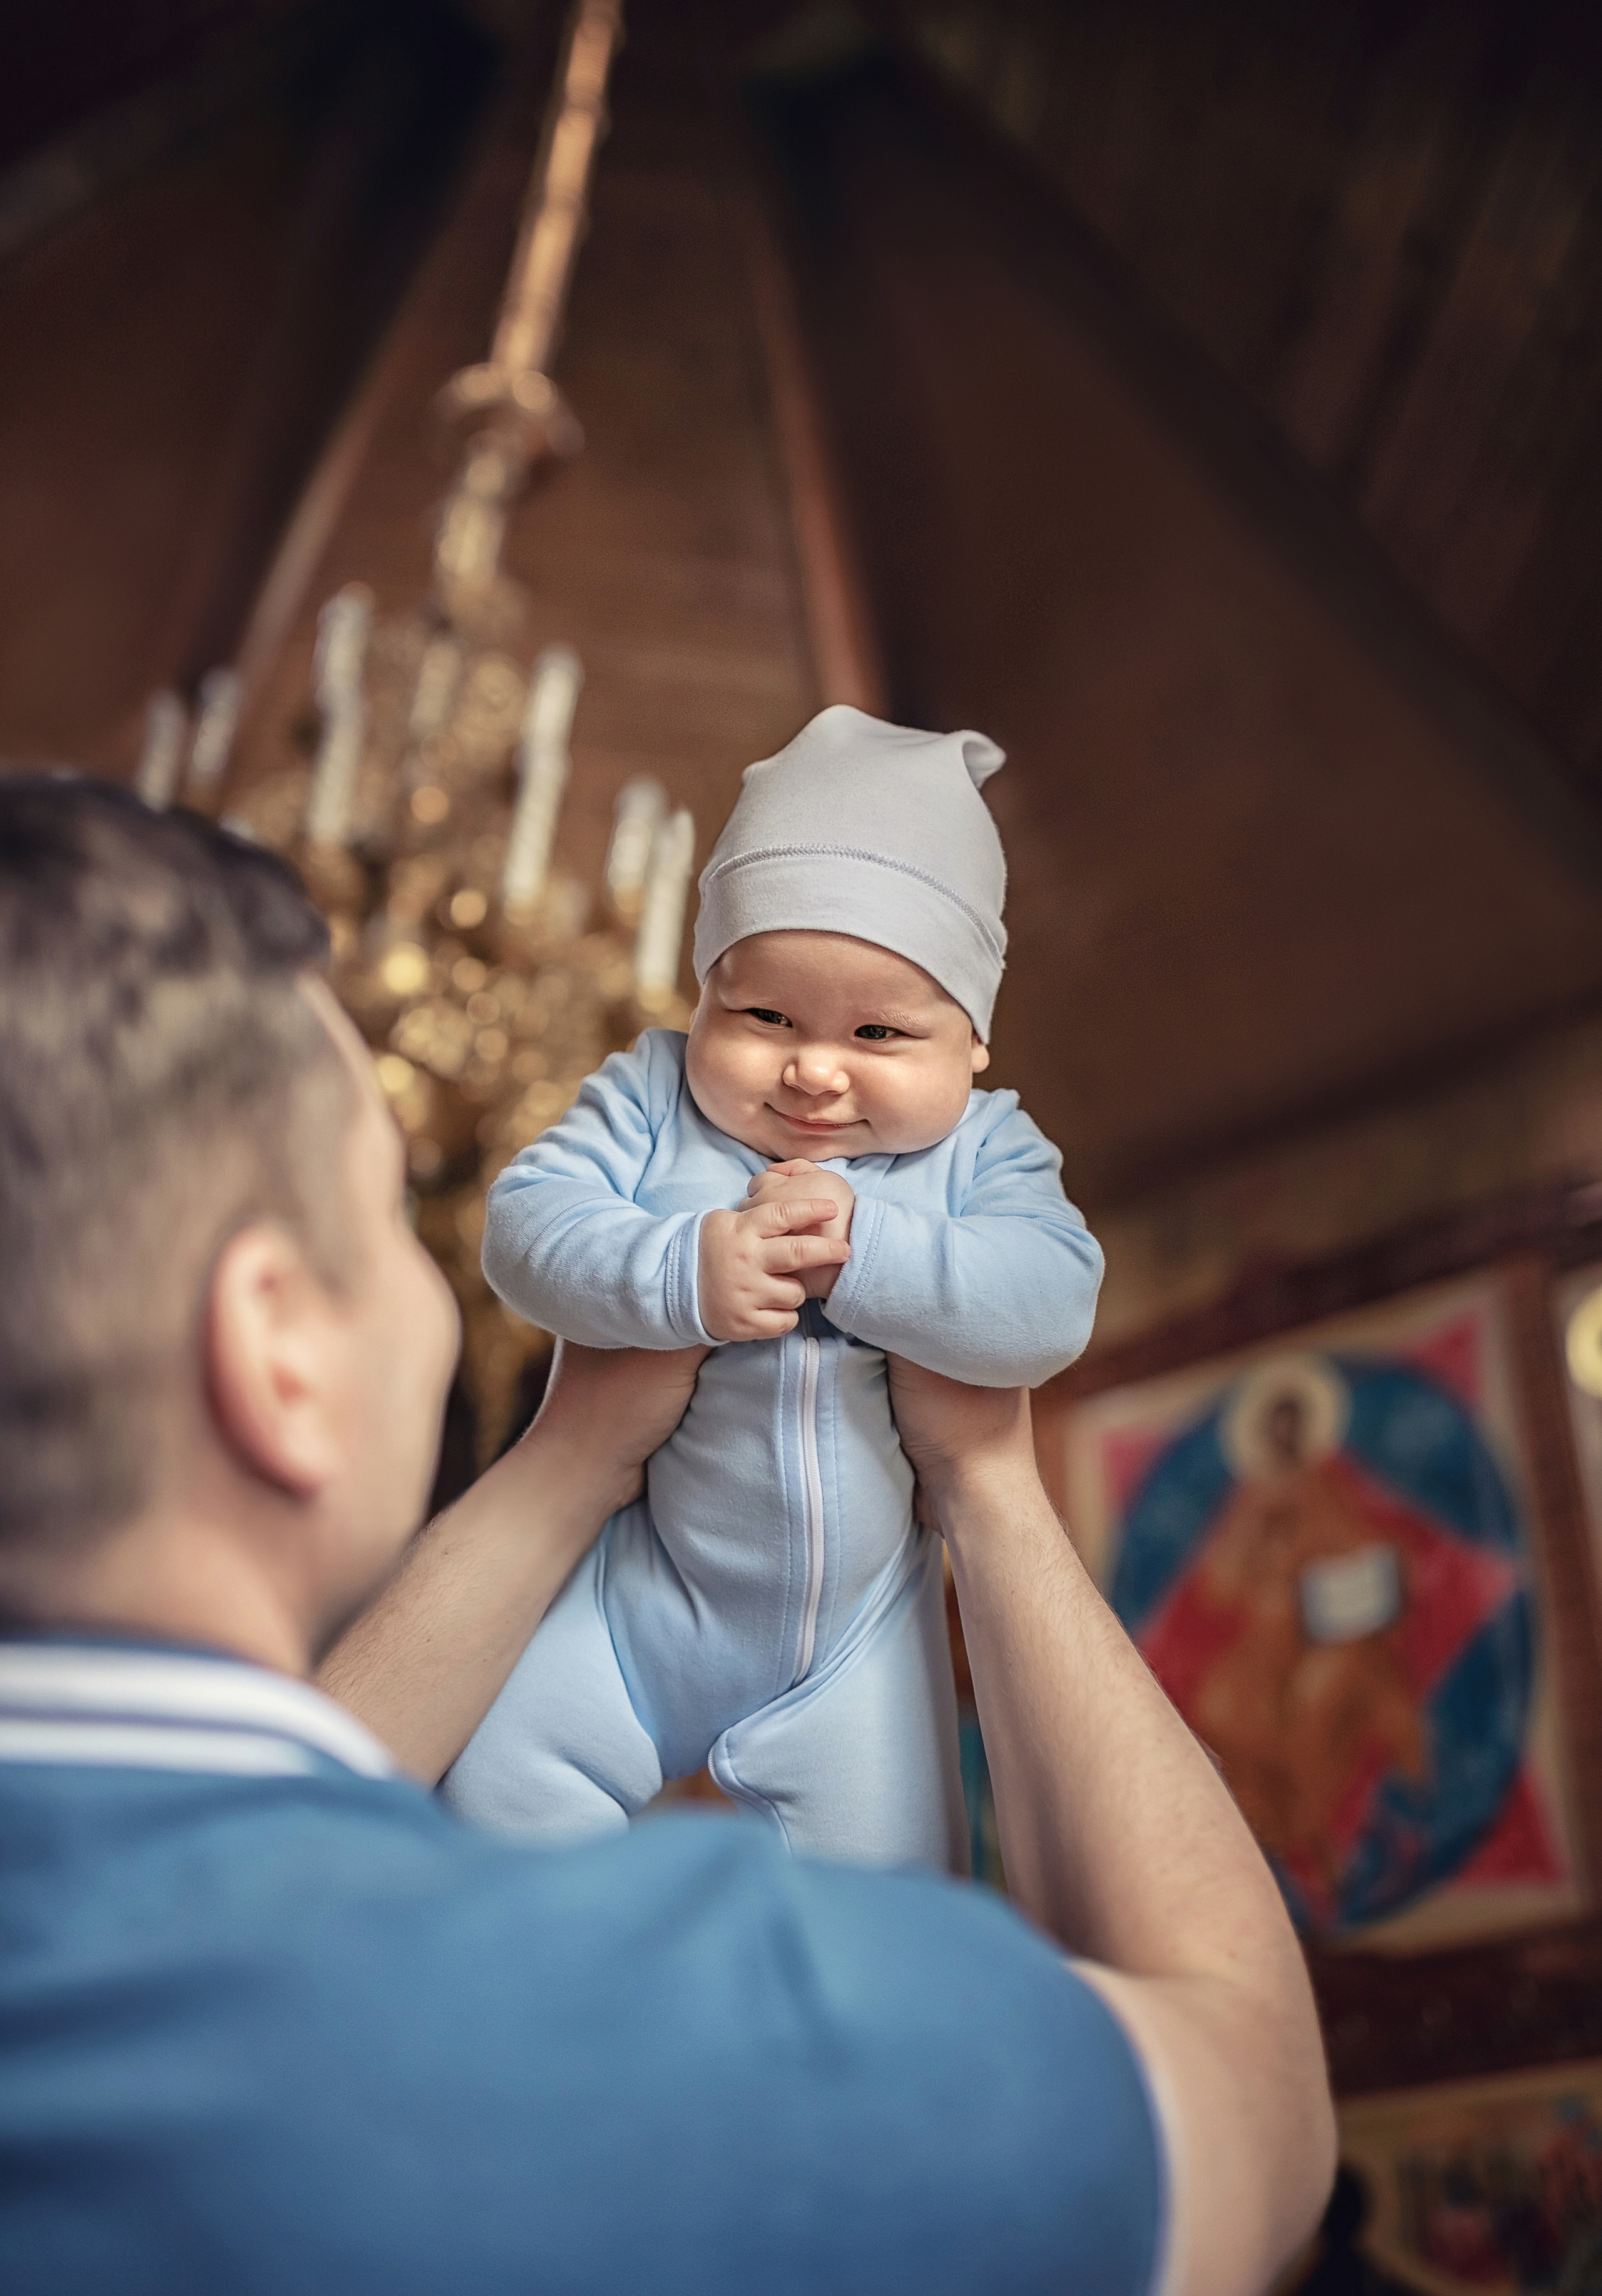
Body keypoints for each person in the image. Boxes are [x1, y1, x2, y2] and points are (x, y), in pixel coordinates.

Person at [0, 777, 1335, 2296]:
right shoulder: (720, 2017)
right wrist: (990, 1485)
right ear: (276, 1350)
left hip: (834, 1641)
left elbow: (267, 1841)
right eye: (390, 1216)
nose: (815, 1067)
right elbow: (1261, 2121)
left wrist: (573, 1451)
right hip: (649, 1632)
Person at [449, 706, 1101, 1866]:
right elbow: (524, 1228)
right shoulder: (651, 1098)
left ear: (972, 1042)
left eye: (879, 1034)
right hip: (634, 1598)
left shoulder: (982, 1150)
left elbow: (1053, 1303)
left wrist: (873, 1255)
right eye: (763, 1015)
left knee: (891, 1911)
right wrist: (679, 1269)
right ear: (703, 991)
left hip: (859, 1646)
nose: (812, 1068)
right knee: (489, 1808)